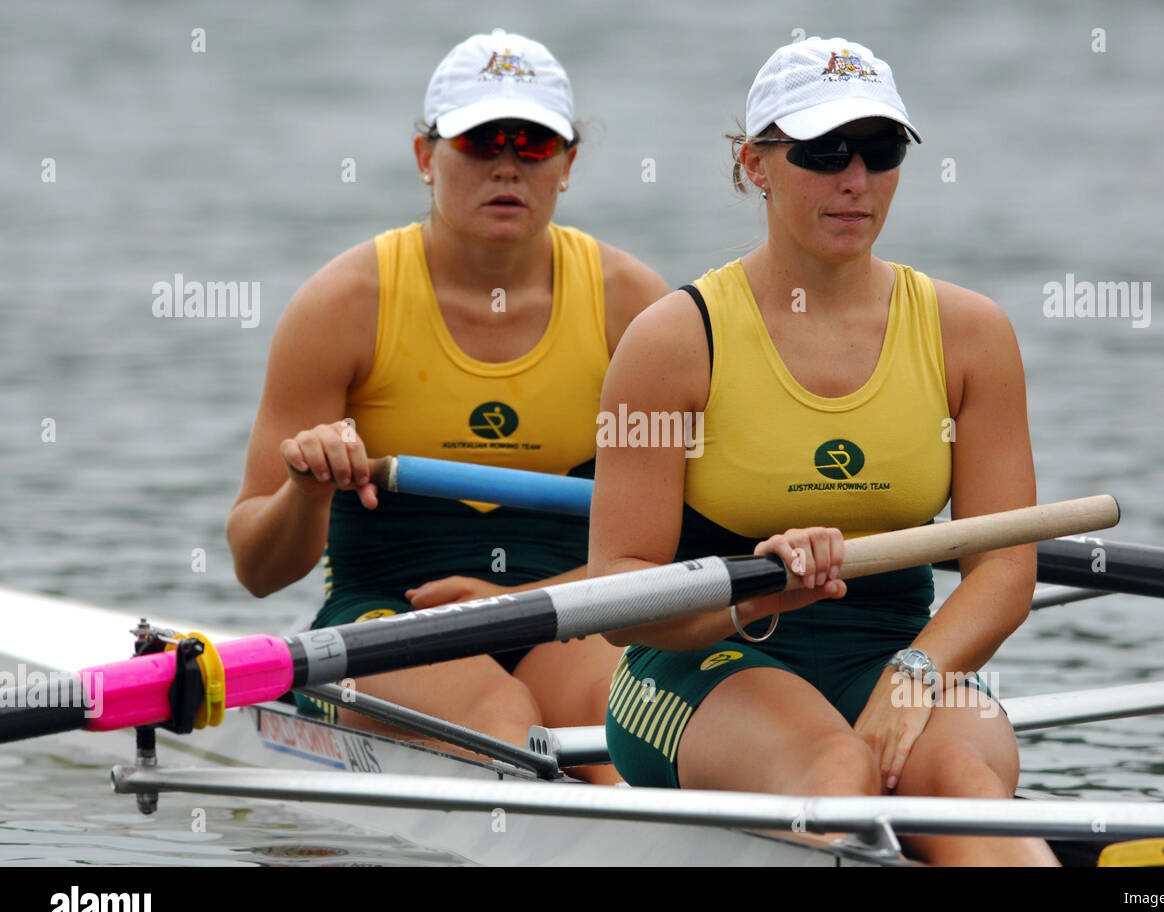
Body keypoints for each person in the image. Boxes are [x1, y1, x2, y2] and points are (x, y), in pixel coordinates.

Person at [589, 37, 1054, 862]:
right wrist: (760, 590)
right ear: (754, 164)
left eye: (879, 152)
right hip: (702, 662)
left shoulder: (970, 335)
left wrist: (914, 676)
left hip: (899, 654)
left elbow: (1007, 568)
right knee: (837, 768)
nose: (855, 181)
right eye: (823, 151)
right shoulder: (673, 341)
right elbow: (618, 592)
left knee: (964, 784)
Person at [227, 30, 668, 784]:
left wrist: (513, 602)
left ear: (568, 165)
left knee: (615, 732)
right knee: (501, 722)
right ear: (426, 157)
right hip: (384, 620)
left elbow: (682, 543)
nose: (506, 163)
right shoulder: (343, 306)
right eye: (479, 140)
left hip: (568, 610)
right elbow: (257, 569)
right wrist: (305, 490)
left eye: (533, 143)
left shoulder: (635, 310)